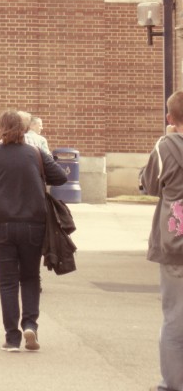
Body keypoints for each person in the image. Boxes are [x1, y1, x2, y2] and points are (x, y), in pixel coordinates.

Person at [0, 110, 68, 352]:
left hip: (1, 225)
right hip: (33, 224)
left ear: (0, 129)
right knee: (30, 277)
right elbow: (60, 177)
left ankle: (12, 337)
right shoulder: (35, 154)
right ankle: (30, 325)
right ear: (24, 130)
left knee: (7, 282)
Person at [140, 90, 183, 391]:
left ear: (170, 117)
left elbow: (149, 183)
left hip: (176, 242)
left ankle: (173, 383)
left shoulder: (166, 146)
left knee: (175, 319)